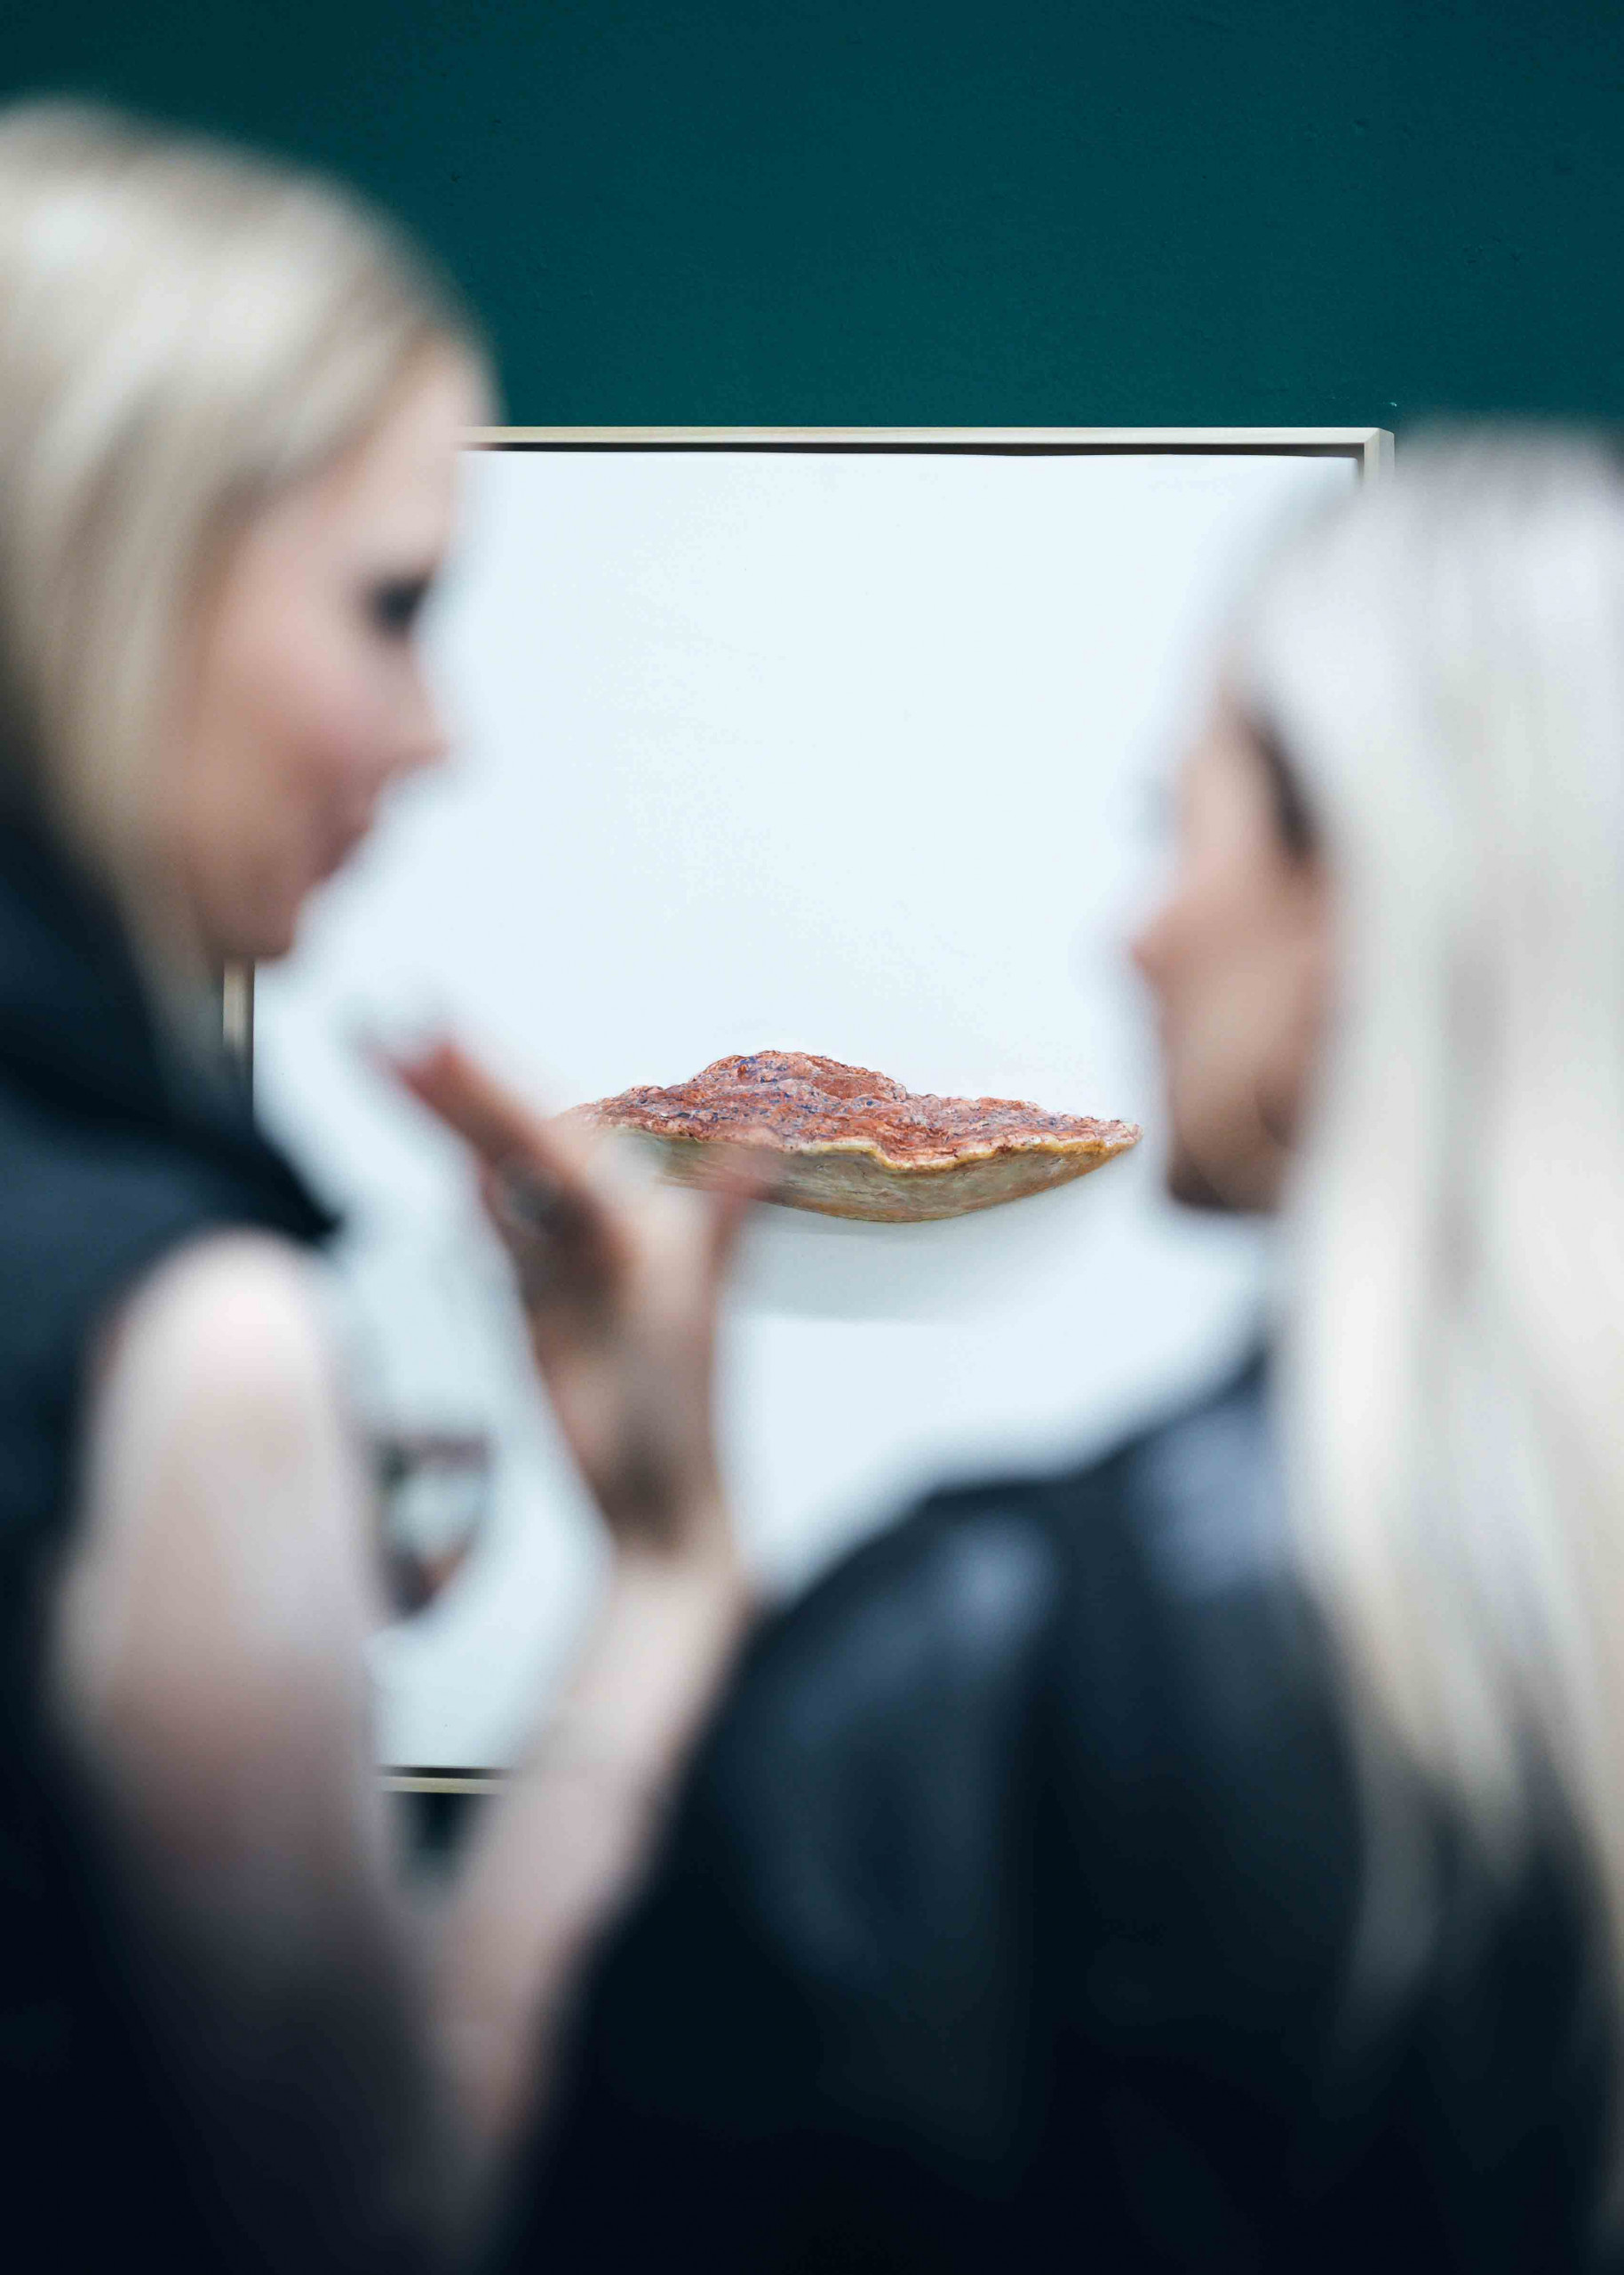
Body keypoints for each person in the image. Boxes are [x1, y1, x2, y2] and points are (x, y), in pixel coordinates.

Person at [486, 439, 1624, 2271]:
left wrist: (666, 1574)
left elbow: (504, 2196)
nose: (1135, 932)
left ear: (1357, 895)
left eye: (1179, 828)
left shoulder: (980, 1662)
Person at [0, 103, 761, 2273]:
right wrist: (669, 1574)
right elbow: (386, 2215)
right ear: (110, 559)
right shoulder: (187, 1347)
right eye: (390, 608)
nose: (435, 735)